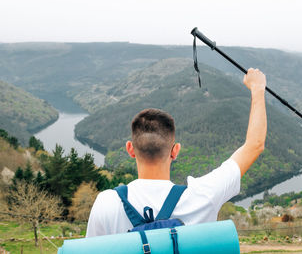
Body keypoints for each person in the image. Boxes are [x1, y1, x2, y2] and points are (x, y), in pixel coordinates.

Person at [86, 68, 267, 237]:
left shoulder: (106, 203)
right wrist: (257, 88)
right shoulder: (202, 197)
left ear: (130, 149)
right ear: (175, 151)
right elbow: (254, 145)